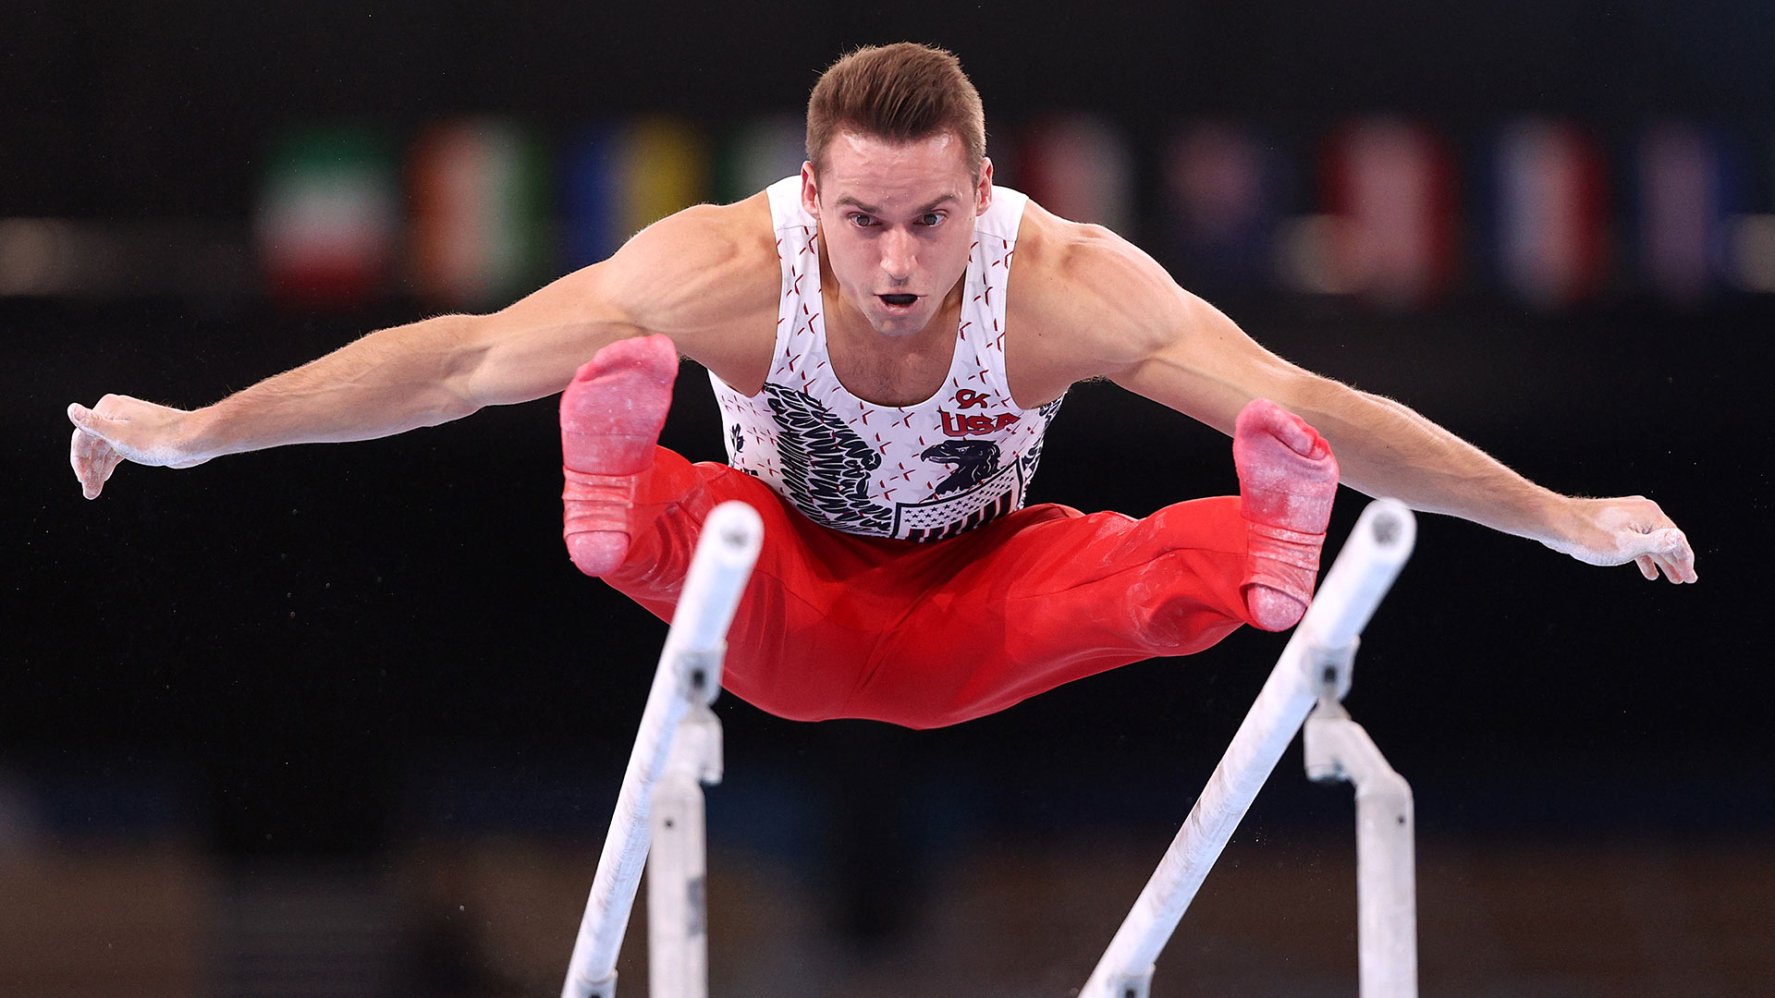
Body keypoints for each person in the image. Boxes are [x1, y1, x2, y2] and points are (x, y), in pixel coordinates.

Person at [67, 43, 1694, 730]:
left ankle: (1264, 557)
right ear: (808, 191)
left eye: (932, 219)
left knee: (1126, 569)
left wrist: (1557, 518)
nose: (901, 260)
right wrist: (201, 431)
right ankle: (611, 497)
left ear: (987, 194)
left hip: (981, 587)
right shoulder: (723, 266)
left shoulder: (1063, 286)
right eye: (863, 219)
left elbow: (1324, 394)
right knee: (690, 521)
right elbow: (456, 360)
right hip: (781, 579)